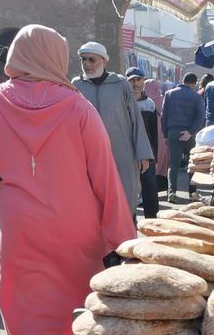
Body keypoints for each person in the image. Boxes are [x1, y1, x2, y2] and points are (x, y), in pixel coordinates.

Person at [0, 25, 134, 335]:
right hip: (79, 230)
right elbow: (105, 178)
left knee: (28, 310)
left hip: (21, 229)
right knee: (76, 309)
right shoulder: (77, 108)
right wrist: (123, 241)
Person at [72, 41, 153, 215]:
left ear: (104, 61)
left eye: (91, 60)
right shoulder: (76, 86)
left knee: (124, 198)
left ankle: (127, 237)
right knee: (91, 203)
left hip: (122, 152)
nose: (87, 64)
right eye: (83, 60)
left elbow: (135, 120)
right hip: (87, 154)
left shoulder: (121, 84)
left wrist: (143, 154)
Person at [161, 72, 204, 203]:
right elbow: (200, 117)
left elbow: (164, 116)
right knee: (192, 165)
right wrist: (190, 132)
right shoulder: (196, 97)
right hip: (189, 135)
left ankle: (172, 192)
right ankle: (192, 193)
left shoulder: (169, 94)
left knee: (173, 165)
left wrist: (165, 134)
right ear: (193, 83)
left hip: (173, 132)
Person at [126, 67, 159, 218]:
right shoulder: (121, 103)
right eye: (131, 80)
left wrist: (154, 157)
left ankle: (153, 223)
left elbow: (154, 133)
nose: (135, 83)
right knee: (128, 191)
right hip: (126, 152)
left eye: (138, 80)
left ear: (143, 82)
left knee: (150, 189)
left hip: (147, 153)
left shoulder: (150, 104)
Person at [144, 78, 169, 188]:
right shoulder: (163, 100)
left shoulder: (143, 101)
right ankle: (162, 182)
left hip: (149, 133)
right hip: (162, 132)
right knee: (162, 157)